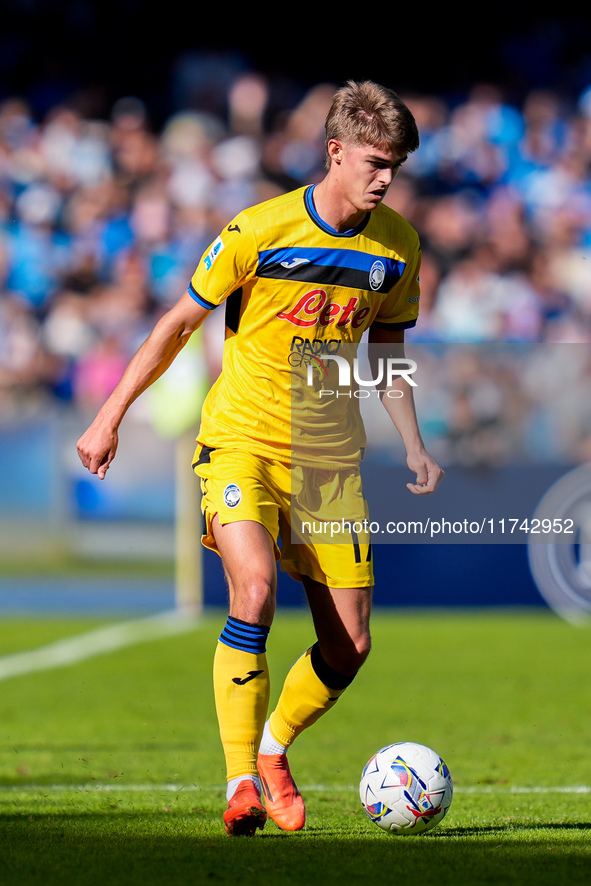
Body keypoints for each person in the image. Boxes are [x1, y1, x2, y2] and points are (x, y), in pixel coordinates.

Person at [77, 80, 444, 837]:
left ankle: (274, 751)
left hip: (329, 460)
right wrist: (110, 415)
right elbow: (179, 322)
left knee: (351, 643)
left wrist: (410, 439)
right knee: (252, 590)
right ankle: (239, 778)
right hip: (241, 441)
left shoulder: (397, 246)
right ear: (335, 152)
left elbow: (389, 346)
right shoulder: (258, 229)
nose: (385, 179)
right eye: (375, 163)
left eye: (396, 168)